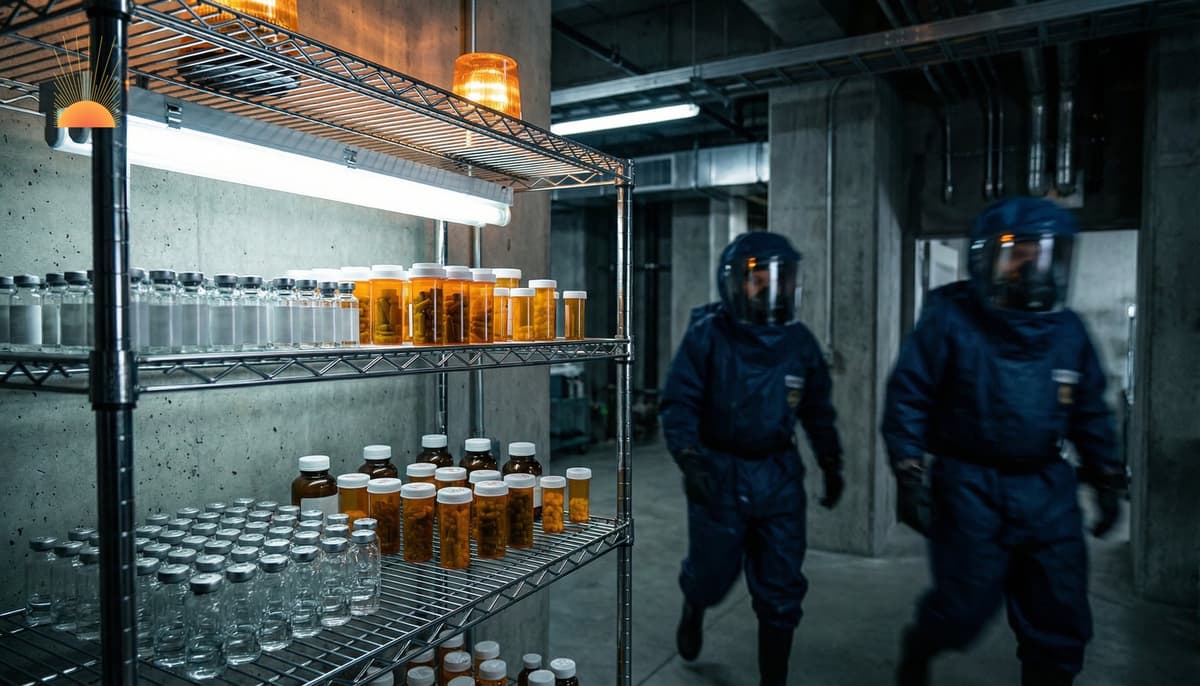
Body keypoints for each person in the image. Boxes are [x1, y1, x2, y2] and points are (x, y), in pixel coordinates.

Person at [882, 197, 1126, 686]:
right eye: (1017, 254)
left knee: (1058, 615)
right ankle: (922, 646)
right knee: (963, 607)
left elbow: (1089, 410)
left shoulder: (1067, 332)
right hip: (970, 486)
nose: (1030, 267)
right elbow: (909, 395)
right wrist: (908, 470)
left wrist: (1105, 474)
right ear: (987, 259)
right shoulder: (950, 321)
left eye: (1043, 255)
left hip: (1046, 488)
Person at [659, 231, 844, 686]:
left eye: (779, 279)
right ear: (734, 283)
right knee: (712, 572)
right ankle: (695, 605)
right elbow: (680, 401)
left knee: (781, 584)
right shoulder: (708, 335)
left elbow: (817, 411)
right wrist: (689, 458)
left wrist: (831, 462)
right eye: (757, 279)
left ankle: (773, 678)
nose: (769, 289)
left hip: (777, 474)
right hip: (719, 471)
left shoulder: (799, 343)